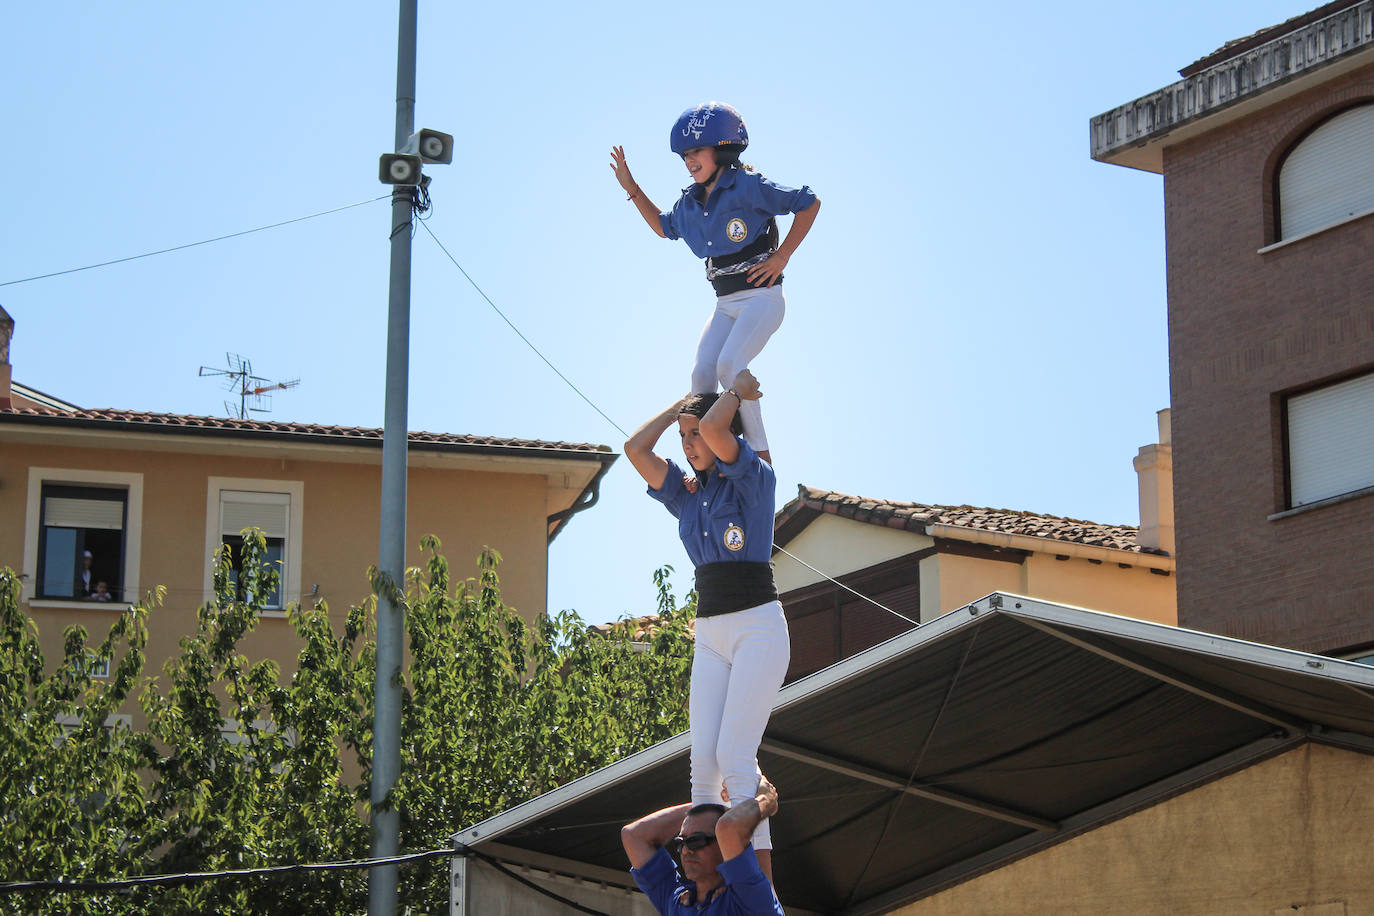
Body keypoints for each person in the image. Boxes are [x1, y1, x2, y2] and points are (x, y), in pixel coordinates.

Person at [625, 370, 789, 879]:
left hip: (758, 627)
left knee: (736, 759)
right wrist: (680, 406)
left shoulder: (754, 477)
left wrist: (736, 393)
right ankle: (708, 887)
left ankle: (759, 889)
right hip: (712, 633)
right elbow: (635, 449)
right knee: (703, 768)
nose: (689, 444)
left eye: (695, 433)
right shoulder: (688, 494)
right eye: (683, 437)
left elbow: (721, 433)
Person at [611, 101, 820, 465]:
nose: (690, 161)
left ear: (723, 149)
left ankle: (759, 457)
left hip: (762, 299)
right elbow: (663, 227)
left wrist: (781, 256)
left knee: (730, 365)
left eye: (696, 152)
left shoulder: (748, 186)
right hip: (725, 305)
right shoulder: (689, 204)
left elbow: (808, 203)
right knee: (701, 376)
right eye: (684, 156)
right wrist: (631, 187)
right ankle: (712, 461)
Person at [622, 776, 784, 916]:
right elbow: (633, 836)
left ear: (724, 845)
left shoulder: (749, 900)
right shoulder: (677, 902)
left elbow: (729, 828)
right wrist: (710, 801)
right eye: (680, 843)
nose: (686, 850)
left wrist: (767, 800)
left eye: (696, 841)